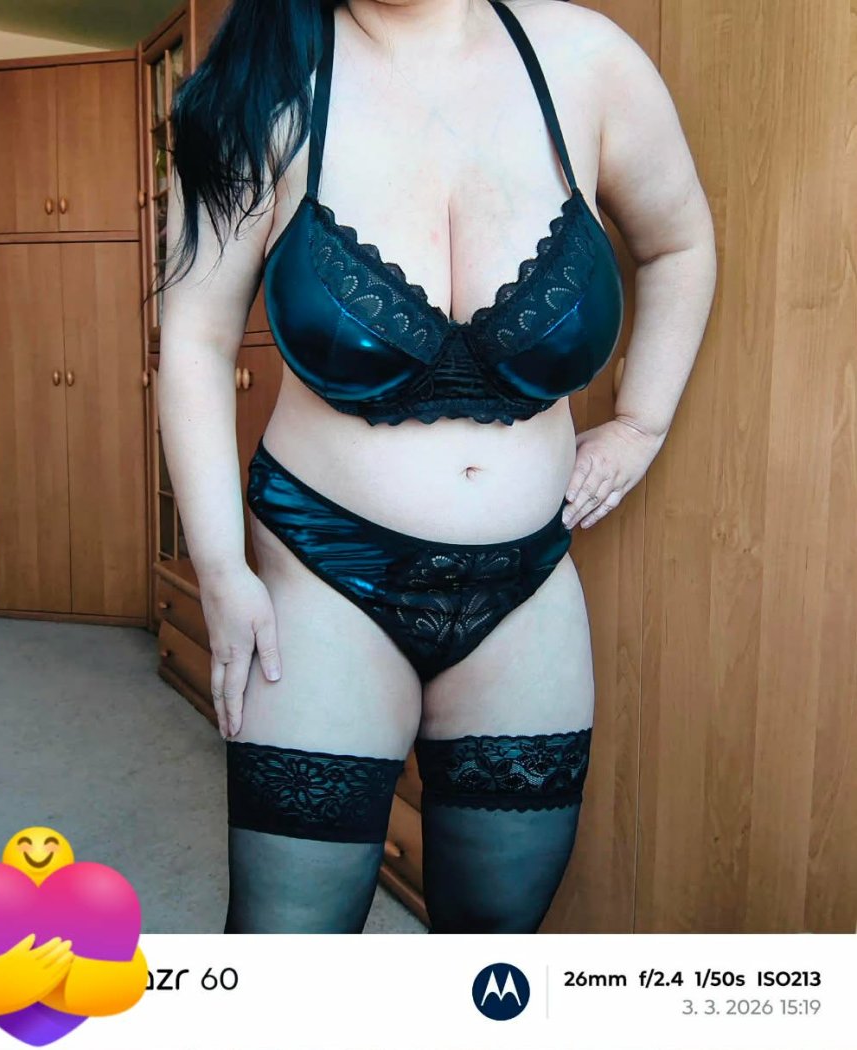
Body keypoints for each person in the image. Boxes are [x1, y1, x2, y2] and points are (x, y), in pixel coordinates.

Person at [158, 0, 716, 933]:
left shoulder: (588, 60)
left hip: (526, 591)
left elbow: (679, 242)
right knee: (285, 961)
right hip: (323, 581)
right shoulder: (263, 87)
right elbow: (195, 341)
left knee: (493, 955)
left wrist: (641, 424)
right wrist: (219, 568)